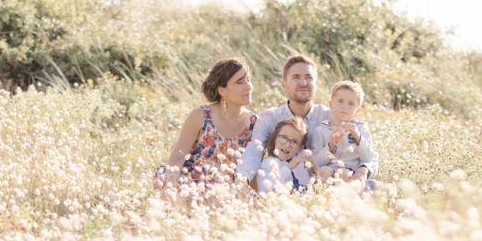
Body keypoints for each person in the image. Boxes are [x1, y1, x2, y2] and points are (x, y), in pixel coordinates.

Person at [237, 55, 378, 188]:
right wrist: (242, 181)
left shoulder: (333, 115)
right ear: (284, 85)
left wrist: (364, 170)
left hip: (327, 186)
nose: (303, 83)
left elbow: (368, 154)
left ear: (316, 86)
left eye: (308, 78)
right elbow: (254, 152)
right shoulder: (271, 116)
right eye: (296, 77)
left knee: (375, 188)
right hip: (285, 187)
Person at [155, 58, 256, 190]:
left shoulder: (255, 123)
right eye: (240, 82)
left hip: (225, 190)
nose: (248, 87)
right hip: (189, 181)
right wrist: (171, 189)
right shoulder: (200, 116)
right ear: (222, 91)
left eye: (248, 79)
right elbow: (177, 157)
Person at [309, 80, 376, 183]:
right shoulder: (321, 130)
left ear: (357, 110)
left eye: (351, 103)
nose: (345, 106)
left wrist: (358, 137)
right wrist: (330, 146)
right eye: (340, 101)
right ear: (331, 104)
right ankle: (327, 196)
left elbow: (369, 156)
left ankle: (350, 195)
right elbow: (316, 161)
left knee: (351, 175)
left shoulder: (361, 128)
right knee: (323, 172)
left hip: (354, 170)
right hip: (331, 169)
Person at [256, 117, 317, 194]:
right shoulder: (268, 164)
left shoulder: (302, 163)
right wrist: (289, 167)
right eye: (284, 138)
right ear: (275, 138)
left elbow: (317, 185)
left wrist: (314, 169)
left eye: (294, 142)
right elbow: (265, 189)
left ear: (300, 148)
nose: (287, 145)